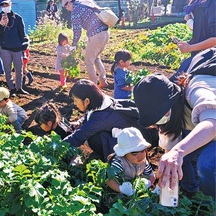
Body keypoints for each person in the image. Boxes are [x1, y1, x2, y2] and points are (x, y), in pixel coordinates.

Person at [133, 61, 216, 198]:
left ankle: (211, 204)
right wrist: (163, 180)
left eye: (160, 113)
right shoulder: (168, 115)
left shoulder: (197, 91)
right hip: (207, 128)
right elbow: (170, 150)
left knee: (207, 165)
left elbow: (212, 123)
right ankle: (189, 192)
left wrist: (179, 151)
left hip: (212, 123)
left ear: (170, 104)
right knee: (180, 156)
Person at [63, 79, 152, 162]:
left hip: (132, 150)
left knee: (93, 139)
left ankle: (113, 159)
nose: (74, 103)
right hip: (132, 136)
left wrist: (59, 145)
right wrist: (80, 121)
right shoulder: (102, 100)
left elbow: (79, 136)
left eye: (75, 100)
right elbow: (89, 113)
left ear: (86, 101)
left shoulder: (101, 117)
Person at [61, 0, 109, 88]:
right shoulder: (86, 1)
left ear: (70, 3)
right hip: (105, 33)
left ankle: (94, 87)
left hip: (96, 35)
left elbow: (77, 31)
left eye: (66, 6)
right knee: (96, 57)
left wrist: (73, 45)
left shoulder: (75, 11)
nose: (67, 8)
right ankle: (103, 80)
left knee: (88, 61)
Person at [171, 0, 216, 79]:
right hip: (208, 56)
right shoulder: (211, 1)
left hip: (211, 58)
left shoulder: (213, 2)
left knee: (179, 78)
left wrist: (190, 48)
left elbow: (215, 38)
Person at [0, 0, 29, 96]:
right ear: (0, 6)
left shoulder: (17, 18)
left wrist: (25, 44)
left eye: (6, 4)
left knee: (19, 69)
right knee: (7, 70)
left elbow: (23, 33)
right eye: (3, 5)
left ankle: (19, 88)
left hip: (17, 48)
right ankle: (11, 89)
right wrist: (0, 25)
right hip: (4, 48)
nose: (5, 6)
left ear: (10, 4)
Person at [106, 127, 155, 196]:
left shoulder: (143, 161)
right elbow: (109, 180)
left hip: (135, 186)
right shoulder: (119, 162)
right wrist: (120, 189)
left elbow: (151, 175)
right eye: (134, 154)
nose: (140, 156)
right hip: (121, 187)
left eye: (142, 151)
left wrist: (148, 183)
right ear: (124, 153)